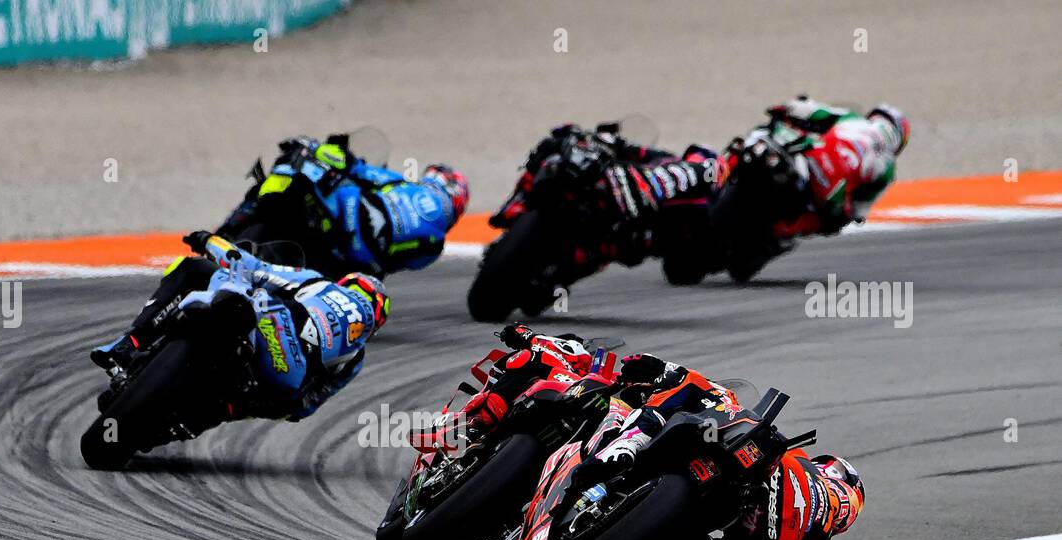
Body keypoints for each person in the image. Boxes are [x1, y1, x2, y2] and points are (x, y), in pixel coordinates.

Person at [578, 352, 863, 540]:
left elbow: (759, 433)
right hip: (732, 522)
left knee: (707, 392)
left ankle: (633, 437)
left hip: (738, 494)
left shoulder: (803, 462)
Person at [89, 232, 388, 422]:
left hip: (270, 320)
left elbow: (255, 267)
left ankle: (127, 345)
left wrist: (208, 240)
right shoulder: (356, 355)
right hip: (286, 376)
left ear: (347, 284)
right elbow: (311, 403)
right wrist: (279, 408)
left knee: (193, 268)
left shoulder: (317, 283)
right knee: (237, 405)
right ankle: (186, 422)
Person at [490, 123, 726, 283]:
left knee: (617, 250)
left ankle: (556, 278)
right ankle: (515, 208)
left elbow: (676, 268)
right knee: (552, 149)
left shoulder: (686, 182)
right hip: (584, 187)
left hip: (613, 227)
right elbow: (628, 148)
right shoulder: (631, 152)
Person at [219, 135, 469, 277]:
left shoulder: (403, 185)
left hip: (339, 222)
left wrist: (337, 153)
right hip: (350, 260)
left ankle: (229, 229)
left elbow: (361, 171)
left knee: (291, 165)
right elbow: (397, 263)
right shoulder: (434, 245)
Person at [750, 96, 909, 238]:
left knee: (766, 135)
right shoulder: (888, 167)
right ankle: (780, 232)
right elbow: (860, 210)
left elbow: (813, 110)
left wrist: (788, 107)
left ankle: (731, 164)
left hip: (813, 154)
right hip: (830, 188)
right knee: (831, 223)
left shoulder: (854, 119)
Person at [461, 322, 594, 439]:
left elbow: (518, 332)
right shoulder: (552, 347)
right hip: (546, 392)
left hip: (548, 396)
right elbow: (517, 332)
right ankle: (472, 421)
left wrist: (512, 333)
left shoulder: (541, 346)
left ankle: (476, 420)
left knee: (522, 363)